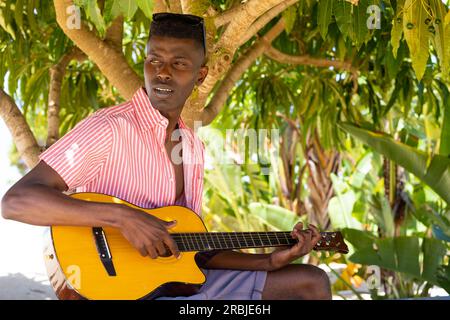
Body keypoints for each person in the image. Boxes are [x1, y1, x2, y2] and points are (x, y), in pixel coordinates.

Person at [1, 13, 331, 300]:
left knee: (310, 283)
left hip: (173, 286)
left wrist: (269, 261)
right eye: (154, 59)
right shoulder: (109, 127)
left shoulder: (192, 147)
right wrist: (122, 218)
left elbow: (192, 250)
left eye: (179, 63)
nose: (162, 72)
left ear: (200, 75)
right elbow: (16, 202)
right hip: (113, 290)